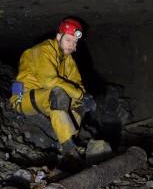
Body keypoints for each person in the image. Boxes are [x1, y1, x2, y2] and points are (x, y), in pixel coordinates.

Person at [10, 18, 96, 156]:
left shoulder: (68, 59)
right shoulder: (42, 50)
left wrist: (85, 96)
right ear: (58, 37)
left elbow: (77, 84)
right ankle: (67, 146)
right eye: (69, 40)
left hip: (44, 97)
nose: (72, 45)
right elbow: (49, 82)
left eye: (75, 42)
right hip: (23, 97)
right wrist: (80, 94)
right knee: (59, 93)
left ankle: (71, 139)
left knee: (80, 103)